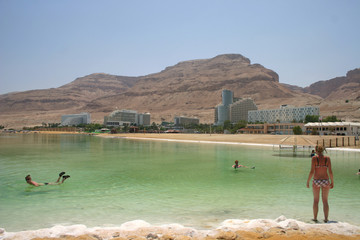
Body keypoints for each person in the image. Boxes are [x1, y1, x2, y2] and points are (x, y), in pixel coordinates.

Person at [306, 145, 334, 223]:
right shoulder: (327, 159)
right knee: (325, 201)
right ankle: (326, 219)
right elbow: (330, 172)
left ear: (316, 150)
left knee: (316, 200)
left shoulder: (314, 158)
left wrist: (308, 181)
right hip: (325, 180)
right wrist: (332, 182)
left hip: (316, 180)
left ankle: (315, 218)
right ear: (323, 150)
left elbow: (312, 171)